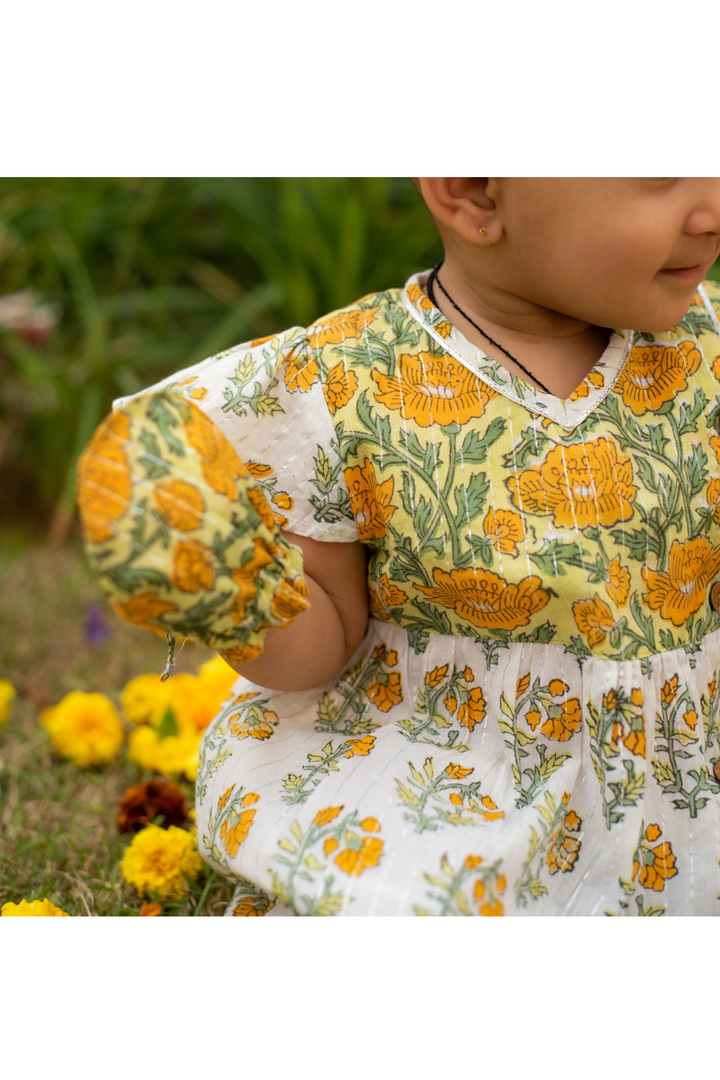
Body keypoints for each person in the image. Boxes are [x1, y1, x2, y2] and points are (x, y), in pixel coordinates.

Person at [78, 178, 720, 916]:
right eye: (662, 172)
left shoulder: (706, 352)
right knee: (412, 899)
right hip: (455, 775)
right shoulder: (349, 380)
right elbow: (327, 642)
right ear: (474, 194)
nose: (711, 211)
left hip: (689, 772)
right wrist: (240, 593)